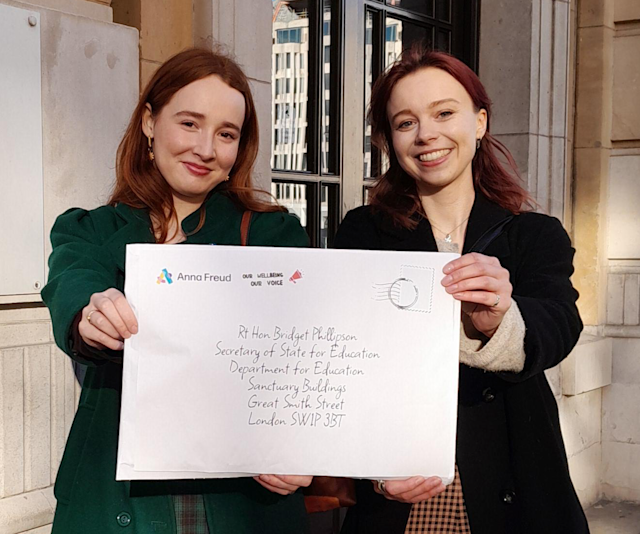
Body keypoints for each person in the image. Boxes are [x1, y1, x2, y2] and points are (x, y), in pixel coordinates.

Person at [42, 48, 312, 534]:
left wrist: (305, 448)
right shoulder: (90, 230)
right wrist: (91, 314)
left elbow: (307, 356)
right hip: (119, 494)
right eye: (189, 123)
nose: (206, 148)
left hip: (241, 496)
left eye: (226, 134)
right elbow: (72, 282)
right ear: (150, 122)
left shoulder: (274, 236)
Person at [334, 47, 589, 534]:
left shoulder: (532, 234)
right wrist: (374, 466)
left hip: (515, 477)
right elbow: (343, 358)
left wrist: (501, 320)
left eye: (444, 113)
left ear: (480, 122)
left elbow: (559, 324)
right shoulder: (363, 232)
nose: (426, 134)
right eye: (405, 122)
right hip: (405, 489)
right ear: (389, 140)